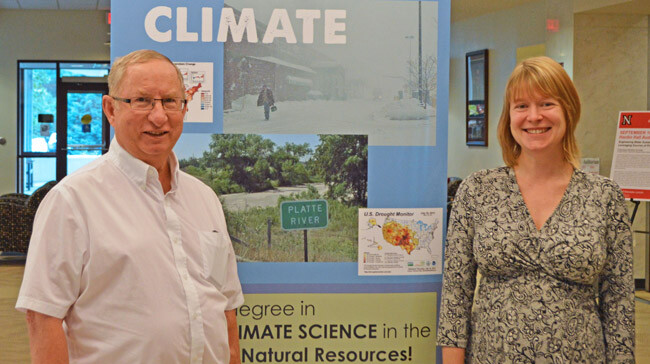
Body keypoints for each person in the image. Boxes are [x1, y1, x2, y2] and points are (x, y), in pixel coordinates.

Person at [16, 49, 244, 364]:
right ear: (110, 109)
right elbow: (43, 317)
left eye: (169, 101)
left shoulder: (204, 198)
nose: (159, 116)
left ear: (183, 107)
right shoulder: (72, 200)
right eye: (142, 101)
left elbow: (226, 305)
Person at [437, 56, 635, 363]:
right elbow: (455, 297)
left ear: (569, 110)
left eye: (546, 104)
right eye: (521, 106)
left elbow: (619, 306)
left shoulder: (604, 197)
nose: (534, 117)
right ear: (509, 116)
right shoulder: (478, 191)